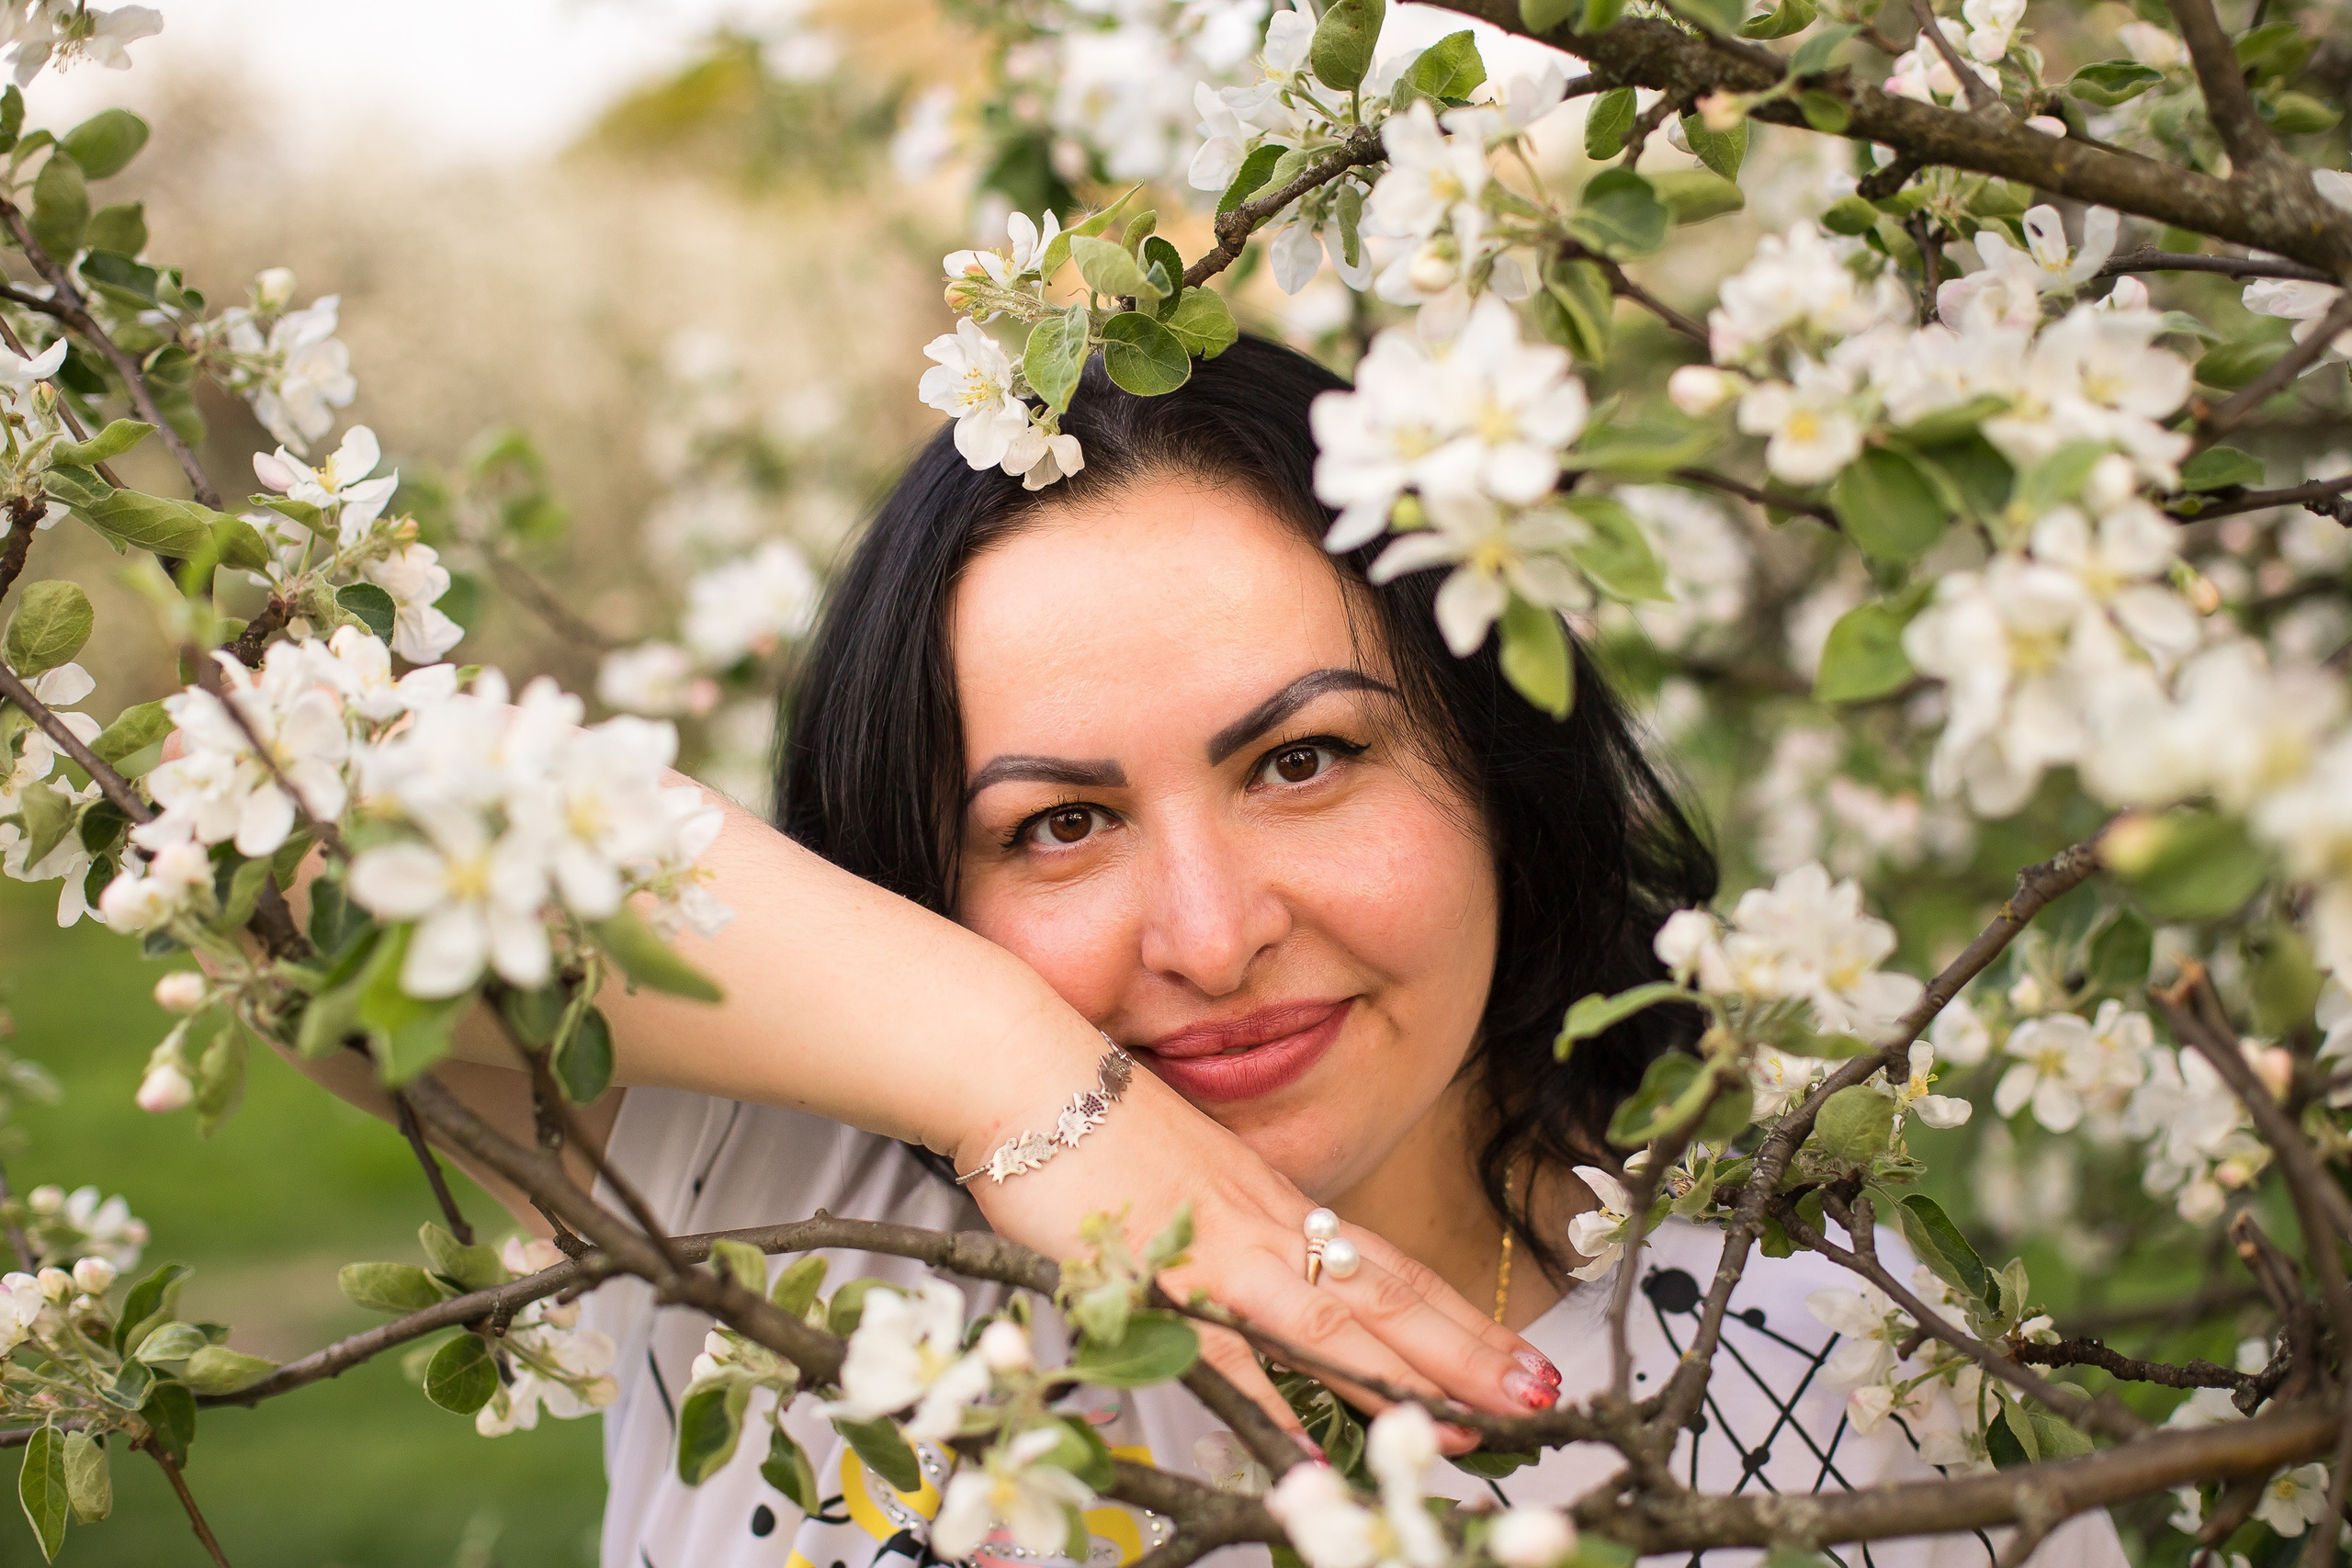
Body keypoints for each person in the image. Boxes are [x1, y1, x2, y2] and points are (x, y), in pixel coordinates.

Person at [292, 337, 2124, 1568]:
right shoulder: (778, 1189)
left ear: (1495, 768)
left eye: (1303, 761)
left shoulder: (1846, 1364)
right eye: (1053, 824)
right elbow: (285, 833)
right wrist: (1027, 1085)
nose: (1210, 932)